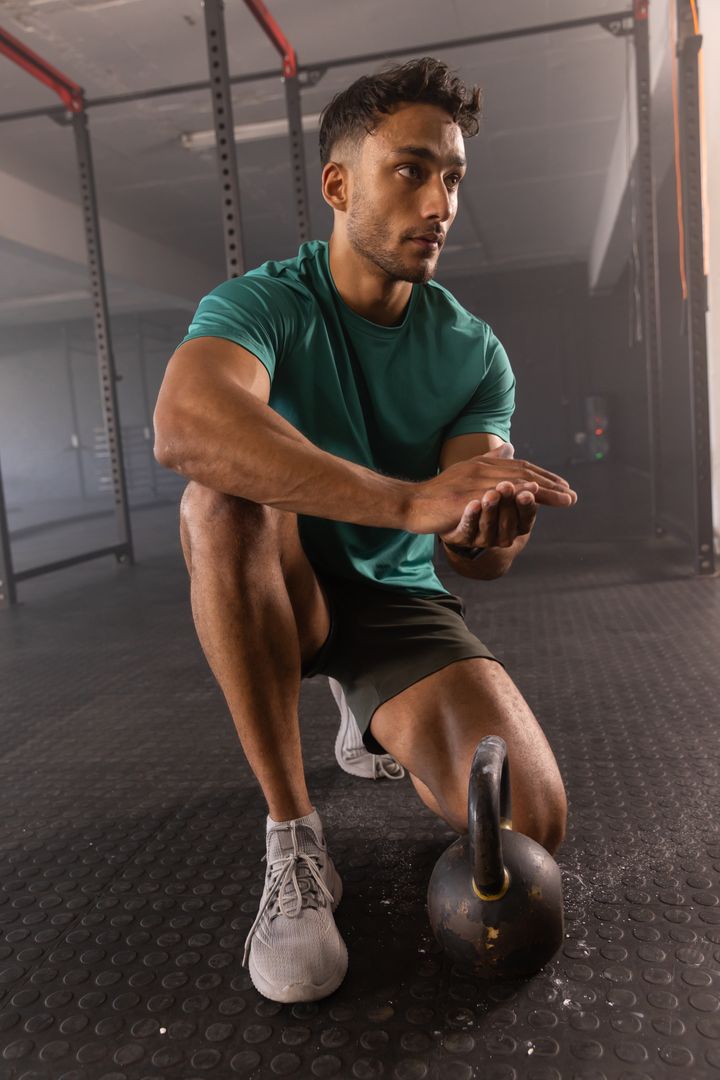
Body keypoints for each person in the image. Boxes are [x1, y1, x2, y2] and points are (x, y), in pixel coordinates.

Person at [153, 56, 576, 1004]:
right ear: (339, 185)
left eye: (454, 176)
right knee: (217, 500)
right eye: (412, 170)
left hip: (397, 597)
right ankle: (295, 843)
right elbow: (184, 424)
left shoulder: (471, 350)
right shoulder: (263, 305)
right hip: (285, 576)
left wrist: (484, 527)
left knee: (524, 826)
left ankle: (364, 699)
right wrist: (403, 501)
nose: (441, 201)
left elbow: (481, 556)